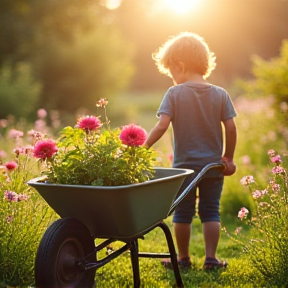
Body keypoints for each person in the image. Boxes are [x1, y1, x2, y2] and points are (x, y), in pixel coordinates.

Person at [144, 32, 237, 270]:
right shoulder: (220, 94)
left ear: (180, 65)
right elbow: (231, 127)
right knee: (210, 211)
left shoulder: (174, 94)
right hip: (213, 167)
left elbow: (162, 125)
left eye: (171, 71)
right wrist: (229, 158)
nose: (172, 78)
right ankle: (211, 259)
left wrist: (143, 148)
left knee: (182, 214)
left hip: (185, 169)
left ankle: (183, 259)